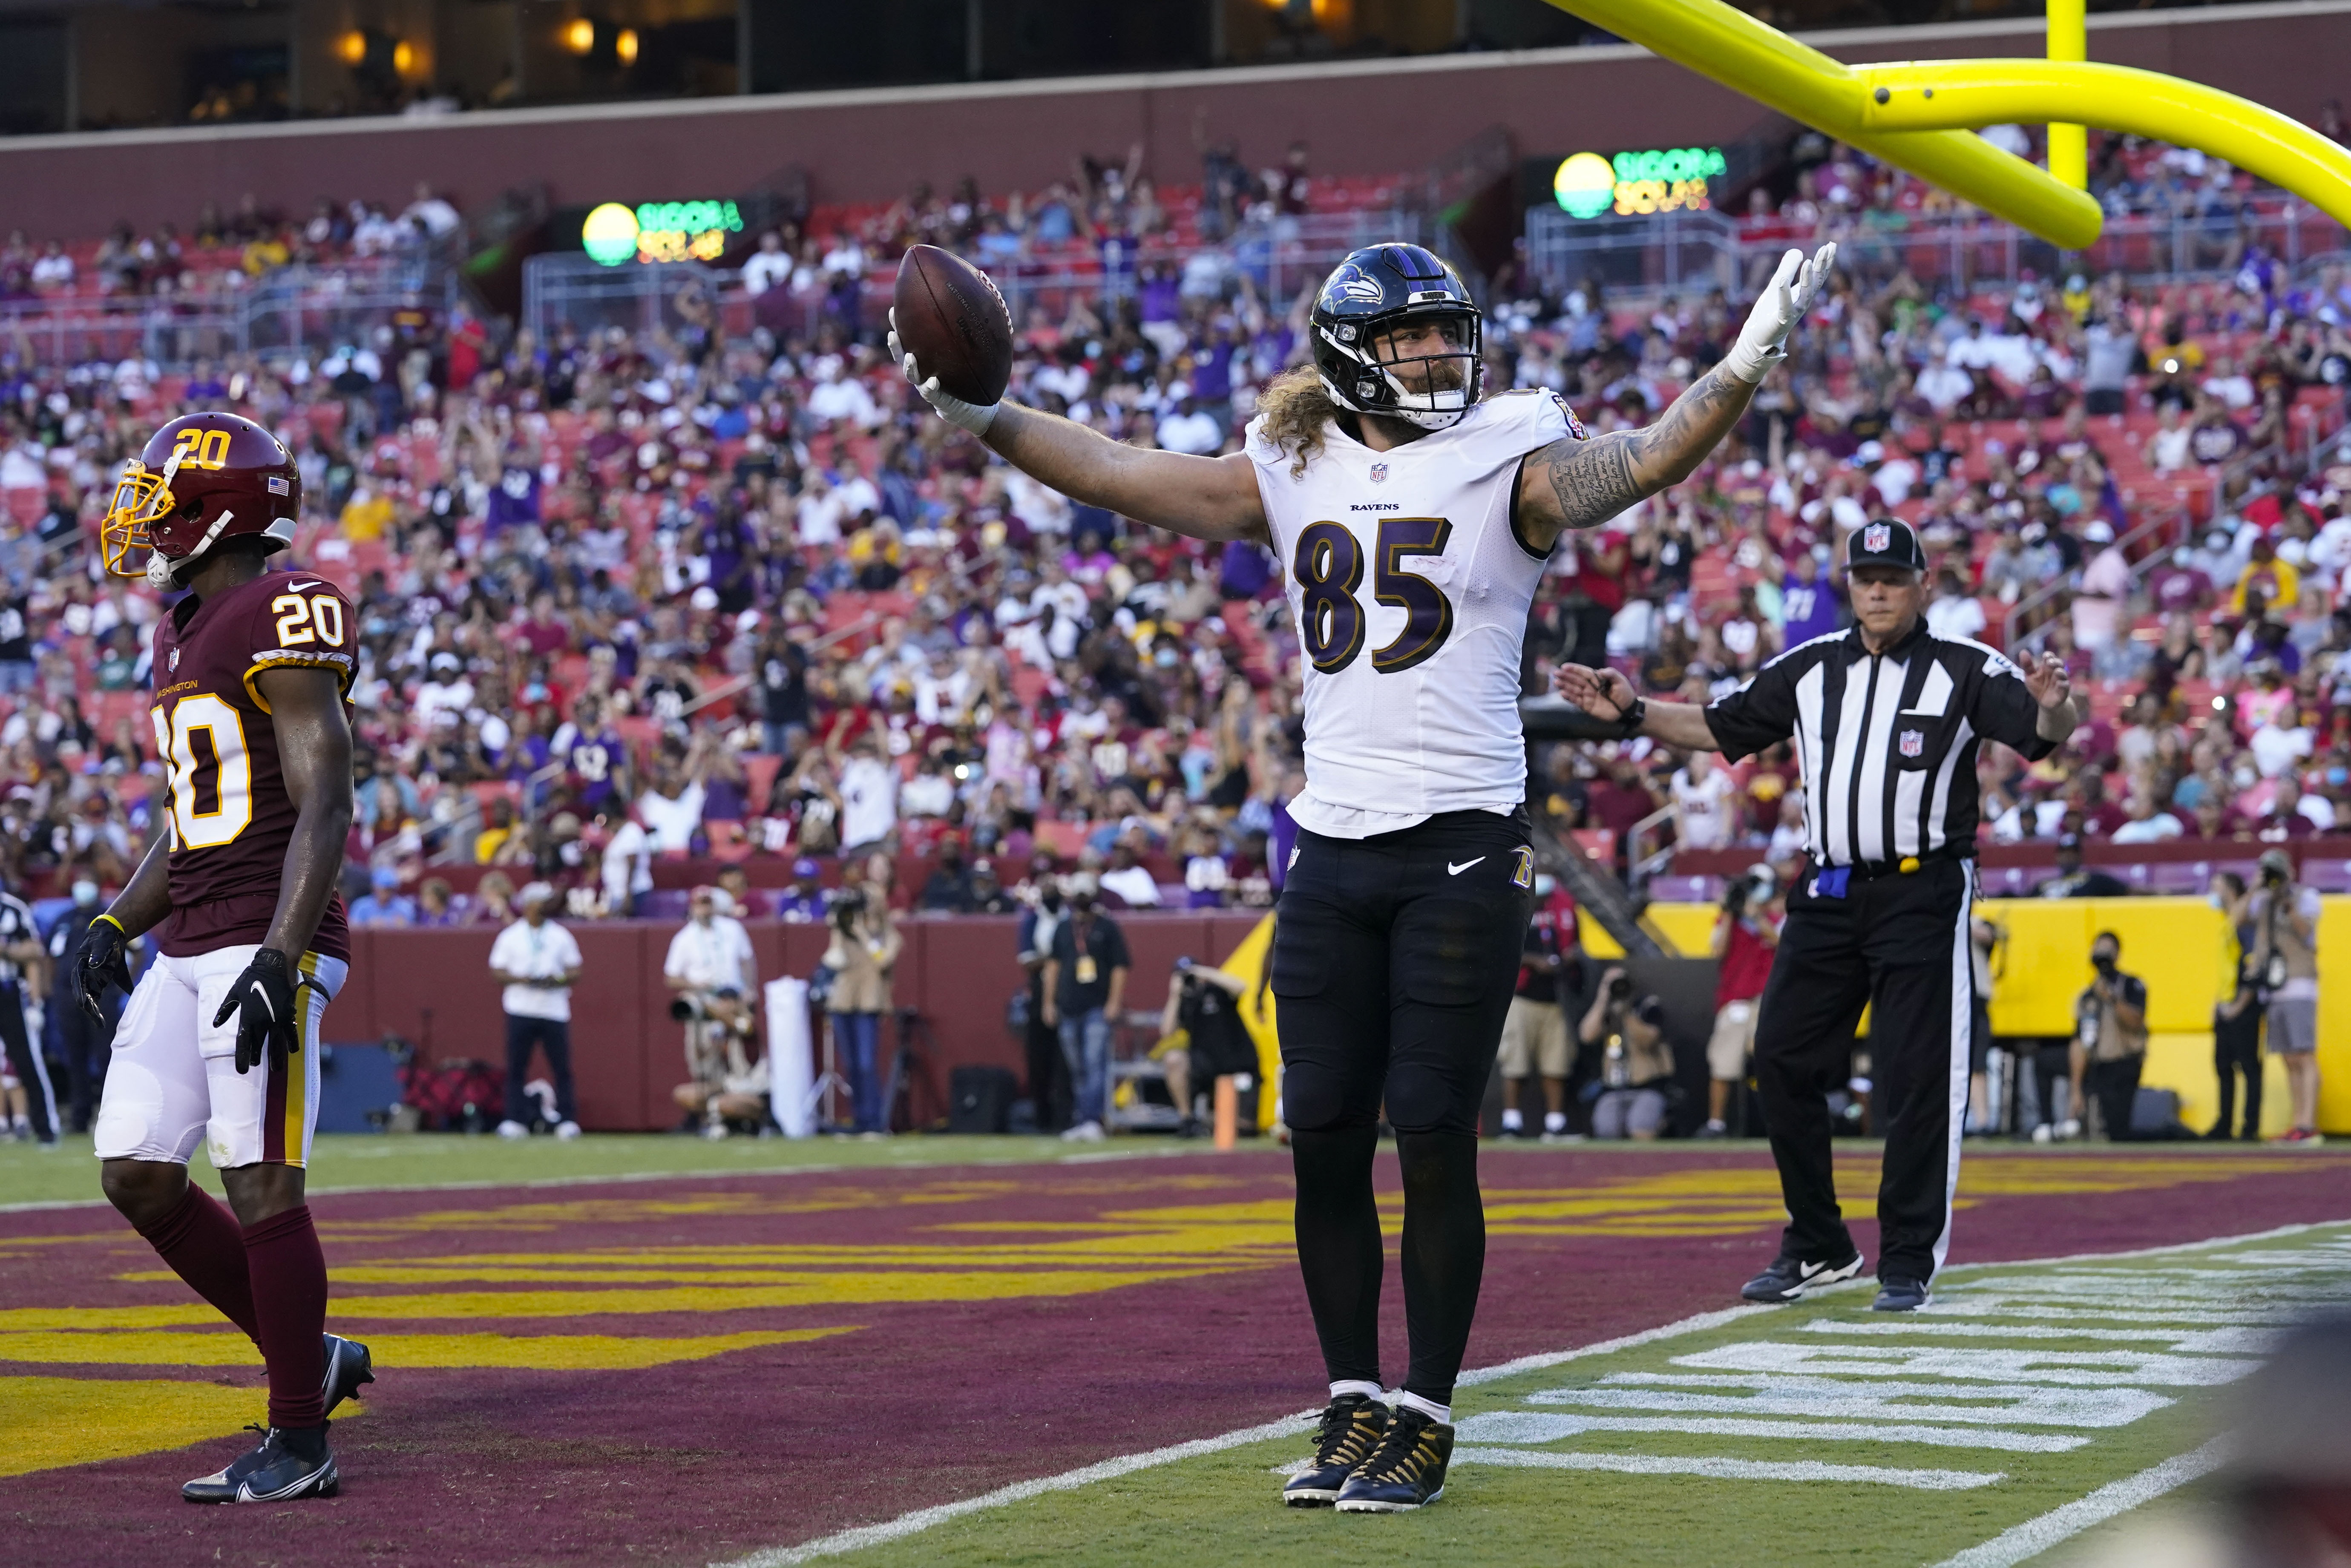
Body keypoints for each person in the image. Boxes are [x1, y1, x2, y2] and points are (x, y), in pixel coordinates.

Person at [899, 234, 1839, 1511]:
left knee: (1434, 1134)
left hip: (1461, 838)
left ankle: (1427, 1410)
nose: (1437, 356)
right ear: (1350, 353)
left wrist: (1739, 364)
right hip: (1333, 843)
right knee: (1323, 1135)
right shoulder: (1292, 461)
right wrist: (985, 414)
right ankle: (1350, 1397)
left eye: (1447, 334)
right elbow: (1125, 472)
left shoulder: (1510, 451)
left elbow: (1647, 459)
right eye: (1408, 339)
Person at [1557, 514, 2081, 1313]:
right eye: (1865, 578)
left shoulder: (1964, 667)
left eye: (1893, 578)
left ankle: (1905, 1258)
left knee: (1913, 1077)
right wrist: (1634, 713)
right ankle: (1818, 1242)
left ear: (1922, 585)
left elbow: (2041, 735)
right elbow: (1719, 726)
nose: (1877, 590)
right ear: (1848, 585)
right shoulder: (1808, 667)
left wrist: (2051, 709)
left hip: (1922, 888)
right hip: (1828, 886)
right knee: (1781, 1056)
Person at [75, 411, 369, 1503]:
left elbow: (324, 794)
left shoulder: (283, 609)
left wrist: (285, 953)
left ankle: (301, 1439)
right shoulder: (186, 623)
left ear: (216, 507)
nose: (143, 518)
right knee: (139, 1171)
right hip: (192, 925)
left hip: (264, 931)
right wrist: (115, 917)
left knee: (260, 1180)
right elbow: (195, 811)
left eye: (160, 498)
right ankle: (316, 1354)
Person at [488, 882, 584, 1141]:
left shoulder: (560, 935)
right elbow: (498, 970)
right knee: (517, 1067)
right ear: (529, 905)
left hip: (554, 1009)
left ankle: (567, 1119)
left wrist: (557, 980)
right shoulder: (511, 936)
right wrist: (523, 980)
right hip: (521, 1008)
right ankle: (514, 1119)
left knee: (562, 1068)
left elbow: (575, 970)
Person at [664, 885, 758, 1134]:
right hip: (704, 1006)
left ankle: (736, 1111)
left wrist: (750, 989)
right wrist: (695, 985)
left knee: (740, 1056)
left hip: (734, 1002)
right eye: (700, 904)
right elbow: (671, 977)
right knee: (704, 1062)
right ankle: (709, 1116)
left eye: (708, 903)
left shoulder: (732, 929)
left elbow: (747, 960)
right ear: (693, 906)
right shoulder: (684, 938)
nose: (705, 908)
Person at [2246, 849, 2324, 1143]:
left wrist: (2287, 903)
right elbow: (2237, 917)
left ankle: (2309, 1124)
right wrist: (2256, 886)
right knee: (2289, 1057)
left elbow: (2306, 931)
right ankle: (2298, 1123)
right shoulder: (2262, 900)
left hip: (2299, 982)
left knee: (2304, 1054)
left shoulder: (2306, 896)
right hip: (2274, 986)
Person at [1040, 884, 1128, 1143]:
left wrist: (1114, 1001)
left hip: (1097, 1006)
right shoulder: (1063, 928)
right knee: (1077, 1067)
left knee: (1095, 1063)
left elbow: (1120, 966)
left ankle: (1092, 1119)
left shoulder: (1107, 927)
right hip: (1068, 1006)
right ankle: (1083, 1119)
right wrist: (1048, 1002)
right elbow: (1053, 966)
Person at [1498, 875, 1578, 1139]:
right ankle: (1511, 1123)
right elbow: (1502, 947)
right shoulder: (1513, 904)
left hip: (1555, 998)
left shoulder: (1564, 907)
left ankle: (1556, 1123)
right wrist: (1534, 962)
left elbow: (1575, 945)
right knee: (1515, 1064)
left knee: (1556, 1065)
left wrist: (1565, 960)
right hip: (1522, 996)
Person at [1701, 864, 1779, 1137]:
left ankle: (1780, 1121)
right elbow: (1717, 951)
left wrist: (1756, 918)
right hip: (1736, 1000)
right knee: (1724, 1061)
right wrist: (1730, 914)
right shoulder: (1729, 919)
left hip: (1768, 1002)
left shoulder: (1776, 918)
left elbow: (1780, 942)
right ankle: (1716, 1124)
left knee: (1772, 1061)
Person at [820, 885, 901, 1134]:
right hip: (844, 1001)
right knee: (852, 1064)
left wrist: (864, 934)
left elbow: (883, 960)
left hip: (869, 1001)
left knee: (867, 1063)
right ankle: (859, 1119)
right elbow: (833, 958)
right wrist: (840, 921)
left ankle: (874, 1120)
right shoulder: (846, 931)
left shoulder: (890, 935)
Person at [48, 870, 120, 1135]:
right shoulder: (64, 920)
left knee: (106, 1057)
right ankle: (80, 1118)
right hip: (67, 996)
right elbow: (51, 956)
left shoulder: (111, 918)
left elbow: (135, 952)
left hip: (100, 994)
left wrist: (113, 983)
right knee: (74, 1058)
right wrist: (52, 990)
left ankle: (111, 1115)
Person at [1159, 955, 1255, 1136]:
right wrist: (1174, 996)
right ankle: (1187, 1120)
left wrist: (1203, 972)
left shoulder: (1217, 991)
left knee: (1244, 1130)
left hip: (1236, 1060)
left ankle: (1212, 1120)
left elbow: (1241, 987)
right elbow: (1166, 1031)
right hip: (1204, 1062)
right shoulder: (1184, 1001)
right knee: (1174, 1059)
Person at [2070, 931, 2149, 1141]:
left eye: (2108, 949)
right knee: (2097, 1131)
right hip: (2098, 1065)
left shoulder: (2131, 985)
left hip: (2124, 1063)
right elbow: (2080, 1041)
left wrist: (2112, 999)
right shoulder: (2086, 996)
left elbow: (2136, 1022)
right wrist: (2076, 1089)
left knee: (2119, 1130)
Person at [1579, 968, 1675, 1139]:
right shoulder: (1606, 1011)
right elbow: (1587, 1035)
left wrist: (1626, 1013)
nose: (1617, 987)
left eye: (1620, 982)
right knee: (1607, 1130)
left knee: (1640, 1127)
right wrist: (1603, 999)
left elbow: (1648, 1041)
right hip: (1613, 1090)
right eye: (1611, 983)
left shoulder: (1647, 1006)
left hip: (1648, 1087)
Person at [2207, 871, 2263, 1140]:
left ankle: (2250, 1126)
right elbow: (2227, 968)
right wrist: (2218, 1001)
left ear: (2229, 890)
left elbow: (2252, 967)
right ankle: (2224, 1124)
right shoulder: (2226, 923)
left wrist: (2241, 1004)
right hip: (2226, 1004)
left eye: (2216, 887)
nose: (2212, 893)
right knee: (2222, 1065)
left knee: (2249, 1066)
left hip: (2242, 1006)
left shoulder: (2244, 925)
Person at [0, 878, 55, 1148]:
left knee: (26, 1062)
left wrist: (8, 950)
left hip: (8, 991)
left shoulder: (11, 909)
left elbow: (35, 949)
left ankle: (46, 1128)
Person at [1015, 875, 1070, 1131]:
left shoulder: (1069, 920)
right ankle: (1042, 1118)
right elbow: (1027, 961)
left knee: (1067, 1059)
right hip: (1039, 990)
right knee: (1039, 1058)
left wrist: (1051, 961)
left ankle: (1066, 1116)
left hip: (1070, 990)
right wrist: (1054, 961)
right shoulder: (1032, 921)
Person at [2034, 832, 2129, 898]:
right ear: (2057, 857)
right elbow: (2022, 903)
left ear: (2080, 857)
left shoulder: (2094, 879)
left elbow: (2129, 891)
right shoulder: (2044, 884)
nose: (2068, 857)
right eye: (2064, 853)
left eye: (2073, 853)